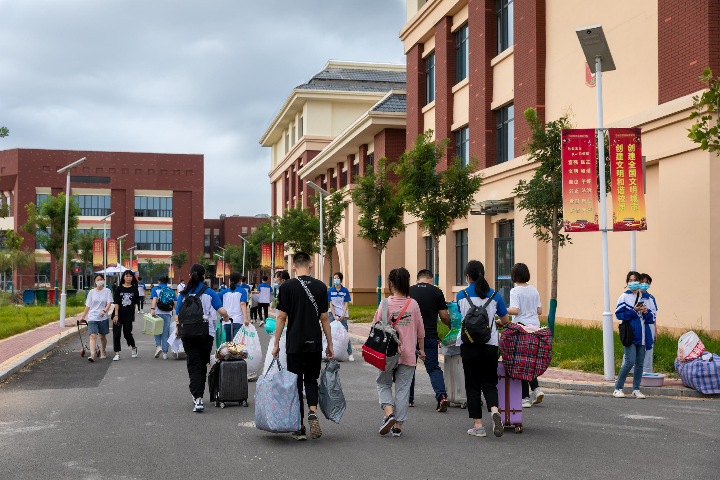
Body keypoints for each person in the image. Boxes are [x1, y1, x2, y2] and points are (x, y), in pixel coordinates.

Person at [273, 251, 334, 441]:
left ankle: (299, 427)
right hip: (314, 341)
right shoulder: (321, 286)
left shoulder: (287, 286)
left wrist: (276, 344)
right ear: (311, 265)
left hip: (294, 342)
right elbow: (324, 317)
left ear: (292, 267)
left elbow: (282, 317)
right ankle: (313, 411)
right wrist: (330, 344)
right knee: (311, 379)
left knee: (296, 383)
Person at [457, 260, 510, 438]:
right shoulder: (495, 295)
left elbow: (461, 318)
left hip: (469, 344)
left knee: (472, 385)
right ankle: (494, 410)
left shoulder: (461, 295)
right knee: (489, 383)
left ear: (468, 276)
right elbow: (505, 321)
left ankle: (478, 427)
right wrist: (494, 323)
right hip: (490, 345)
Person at [373, 267, 425, 438]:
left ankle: (389, 414)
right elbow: (420, 331)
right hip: (408, 353)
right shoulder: (414, 304)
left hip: (387, 354)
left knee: (383, 383)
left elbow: (375, 327)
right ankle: (398, 427)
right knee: (403, 389)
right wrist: (422, 350)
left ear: (391, 283)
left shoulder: (385, 303)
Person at [176, 264, 231, 412]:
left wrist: (177, 329)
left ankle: (198, 397)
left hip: (187, 334)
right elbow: (221, 311)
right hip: (206, 334)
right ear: (204, 276)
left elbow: (178, 314)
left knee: (193, 363)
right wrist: (226, 317)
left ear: (190, 276)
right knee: (201, 363)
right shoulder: (209, 292)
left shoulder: (183, 293)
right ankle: (199, 394)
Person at [408, 269, 450, 412]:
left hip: (410, 337)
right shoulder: (436, 292)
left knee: (408, 367)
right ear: (431, 280)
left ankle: (409, 400)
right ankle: (442, 396)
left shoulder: (409, 291)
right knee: (433, 368)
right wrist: (450, 326)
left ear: (417, 280)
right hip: (430, 336)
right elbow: (444, 316)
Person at [506, 262, 545, 408]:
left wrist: (502, 309)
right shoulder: (534, 290)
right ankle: (536, 389)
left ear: (514, 275)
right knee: (530, 360)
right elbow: (539, 311)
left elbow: (515, 310)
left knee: (521, 362)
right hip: (535, 328)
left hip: (521, 328)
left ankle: (524, 398)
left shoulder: (515, 291)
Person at [613, 271, 654, 399]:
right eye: (630, 280)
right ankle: (618, 388)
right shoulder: (624, 297)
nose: (633, 282)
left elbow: (651, 319)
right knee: (629, 361)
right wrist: (634, 310)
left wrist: (646, 312)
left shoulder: (646, 298)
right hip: (630, 334)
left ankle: (636, 389)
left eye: (635, 279)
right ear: (627, 282)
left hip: (642, 335)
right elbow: (619, 315)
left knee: (640, 363)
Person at [80, 274, 113, 362]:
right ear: (95, 281)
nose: (100, 281)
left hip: (103, 317)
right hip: (92, 317)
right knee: (93, 335)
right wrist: (83, 317)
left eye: (101, 279)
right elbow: (88, 305)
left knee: (102, 337)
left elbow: (109, 303)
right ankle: (92, 354)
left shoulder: (107, 291)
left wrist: (104, 311)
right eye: (98, 280)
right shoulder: (91, 292)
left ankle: (103, 351)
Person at [112, 269, 139, 360]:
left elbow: (135, 304)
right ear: (124, 277)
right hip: (118, 315)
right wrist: (116, 315)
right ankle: (117, 353)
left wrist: (132, 315)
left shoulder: (134, 289)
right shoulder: (119, 288)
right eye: (127, 276)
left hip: (128, 315)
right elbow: (116, 303)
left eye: (130, 276)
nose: (128, 278)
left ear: (132, 278)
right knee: (116, 334)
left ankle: (134, 347)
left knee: (127, 334)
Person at [328, 272, 354, 362]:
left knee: (345, 334)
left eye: (337, 278)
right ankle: (332, 353)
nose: (336, 280)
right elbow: (331, 304)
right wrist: (334, 316)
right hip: (332, 314)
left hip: (343, 314)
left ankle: (350, 353)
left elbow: (346, 303)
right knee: (331, 334)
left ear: (341, 279)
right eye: (334, 278)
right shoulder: (330, 290)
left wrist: (343, 315)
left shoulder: (345, 290)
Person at [150, 275, 176, 359]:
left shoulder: (155, 289)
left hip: (157, 313)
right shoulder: (171, 290)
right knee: (165, 333)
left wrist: (152, 309)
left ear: (159, 281)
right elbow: (175, 302)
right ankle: (165, 353)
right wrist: (177, 313)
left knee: (156, 331)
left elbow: (154, 298)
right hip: (167, 313)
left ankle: (158, 347)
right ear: (167, 282)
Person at [219, 272, 250, 340]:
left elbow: (215, 299)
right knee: (237, 344)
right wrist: (246, 319)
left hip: (227, 320)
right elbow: (243, 304)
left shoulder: (224, 292)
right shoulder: (242, 291)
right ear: (240, 280)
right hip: (238, 320)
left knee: (228, 343)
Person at [640, 273, 658, 373]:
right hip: (639, 325)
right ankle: (635, 371)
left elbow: (654, 316)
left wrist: (655, 331)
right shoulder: (635, 296)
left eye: (647, 283)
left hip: (650, 326)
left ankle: (646, 371)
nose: (644, 285)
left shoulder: (651, 298)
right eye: (642, 282)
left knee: (649, 349)